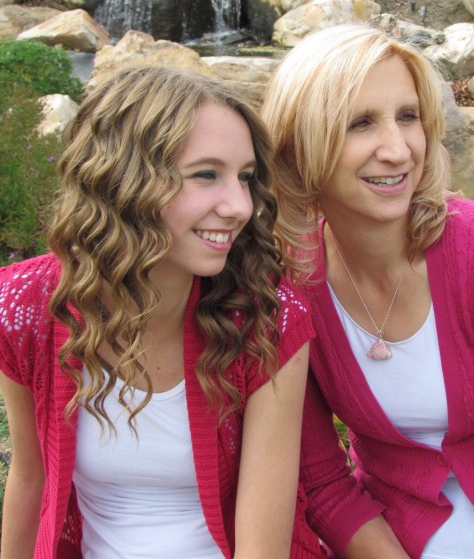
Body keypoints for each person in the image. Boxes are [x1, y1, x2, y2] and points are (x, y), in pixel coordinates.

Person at [261, 24, 474, 559]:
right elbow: (324, 482)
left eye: (408, 117)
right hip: (394, 535)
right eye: (360, 124)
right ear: (298, 147)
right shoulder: (286, 285)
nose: (398, 150)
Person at [0, 65, 325, 559]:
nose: (239, 205)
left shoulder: (264, 317)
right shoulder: (26, 307)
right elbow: (30, 478)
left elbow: (264, 544)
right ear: (123, 180)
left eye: (246, 178)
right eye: (206, 175)